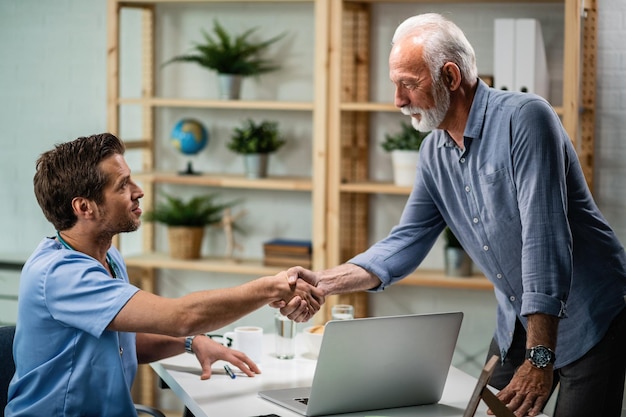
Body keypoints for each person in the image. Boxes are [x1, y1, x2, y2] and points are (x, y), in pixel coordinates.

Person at [279, 13, 626, 417]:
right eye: (396, 85)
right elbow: (406, 241)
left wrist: (541, 358)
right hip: (518, 321)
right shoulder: (434, 152)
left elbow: (543, 238)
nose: (398, 100)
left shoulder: (525, 118)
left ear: (450, 76)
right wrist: (323, 282)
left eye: (409, 83)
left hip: (591, 316)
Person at [5, 133, 322, 416]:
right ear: (84, 207)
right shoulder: (60, 274)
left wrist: (190, 343)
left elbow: (125, 342)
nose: (138, 191)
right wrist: (271, 288)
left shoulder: (109, 257)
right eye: (123, 185)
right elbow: (181, 316)